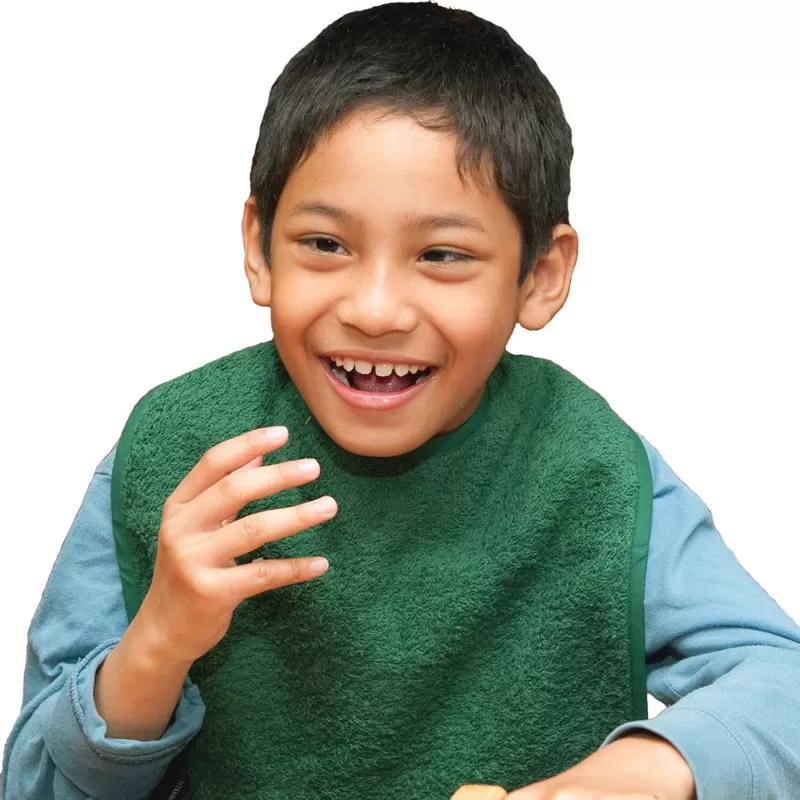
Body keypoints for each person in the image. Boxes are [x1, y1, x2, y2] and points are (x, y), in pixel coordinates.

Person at [3, 2, 800, 798]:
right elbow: (32, 784)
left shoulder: (591, 472)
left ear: (541, 276)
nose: (375, 309)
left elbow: (782, 685)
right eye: (325, 244)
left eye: (443, 254)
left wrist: (634, 775)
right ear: (258, 250)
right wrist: (157, 645)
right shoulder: (179, 459)